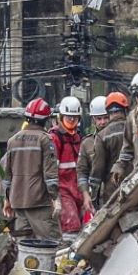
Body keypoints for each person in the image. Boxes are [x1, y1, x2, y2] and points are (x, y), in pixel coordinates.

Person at [0, 97, 61, 241]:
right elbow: (50, 175)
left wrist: (7, 200)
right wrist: (55, 199)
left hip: (18, 204)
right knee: (53, 246)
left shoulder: (13, 140)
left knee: (25, 249)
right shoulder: (46, 139)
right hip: (39, 203)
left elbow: (6, 175)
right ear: (45, 119)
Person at [78, 91, 128, 213]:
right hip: (101, 198)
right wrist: (87, 195)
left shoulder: (122, 131)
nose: (103, 122)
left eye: (106, 117)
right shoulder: (87, 143)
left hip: (112, 193)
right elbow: (82, 171)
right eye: (99, 119)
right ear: (93, 120)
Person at [50, 95, 86, 234]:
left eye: (74, 118)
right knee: (72, 226)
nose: (72, 120)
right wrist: (54, 196)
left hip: (78, 189)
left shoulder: (78, 138)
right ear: (61, 117)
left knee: (86, 226)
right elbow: (50, 168)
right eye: (68, 117)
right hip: (63, 189)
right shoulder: (55, 138)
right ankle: (68, 253)